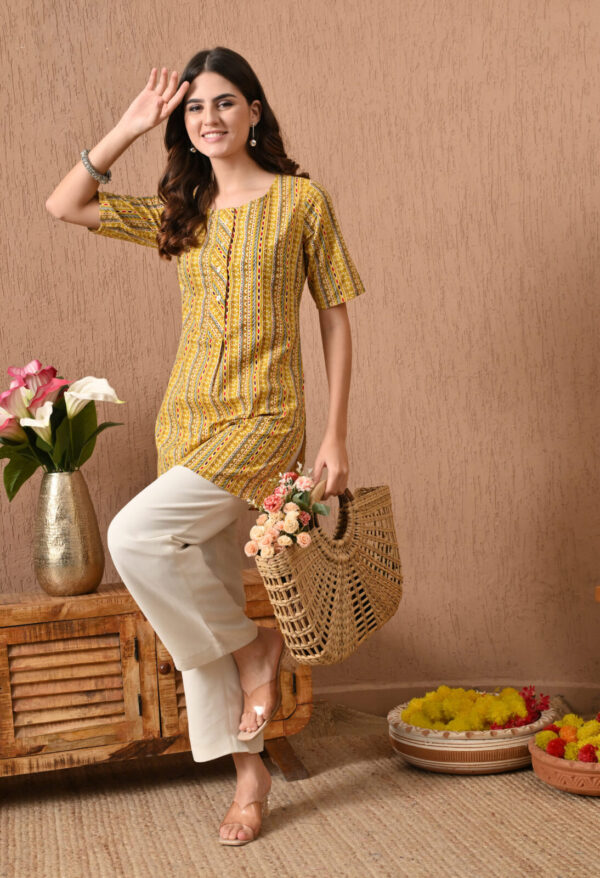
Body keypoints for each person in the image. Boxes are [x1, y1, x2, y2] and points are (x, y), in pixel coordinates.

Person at [45, 46, 366, 846]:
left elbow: (334, 315)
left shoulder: (300, 202)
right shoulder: (182, 211)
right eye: (194, 107)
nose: (209, 118)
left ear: (255, 111)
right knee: (201, 585)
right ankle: (249, 777)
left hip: (265, 418)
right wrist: (130, 124)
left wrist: (335, 432)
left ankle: (256, 650)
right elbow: (65, 203)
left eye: (225, 102)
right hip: (186, 422)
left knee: (135, 538)